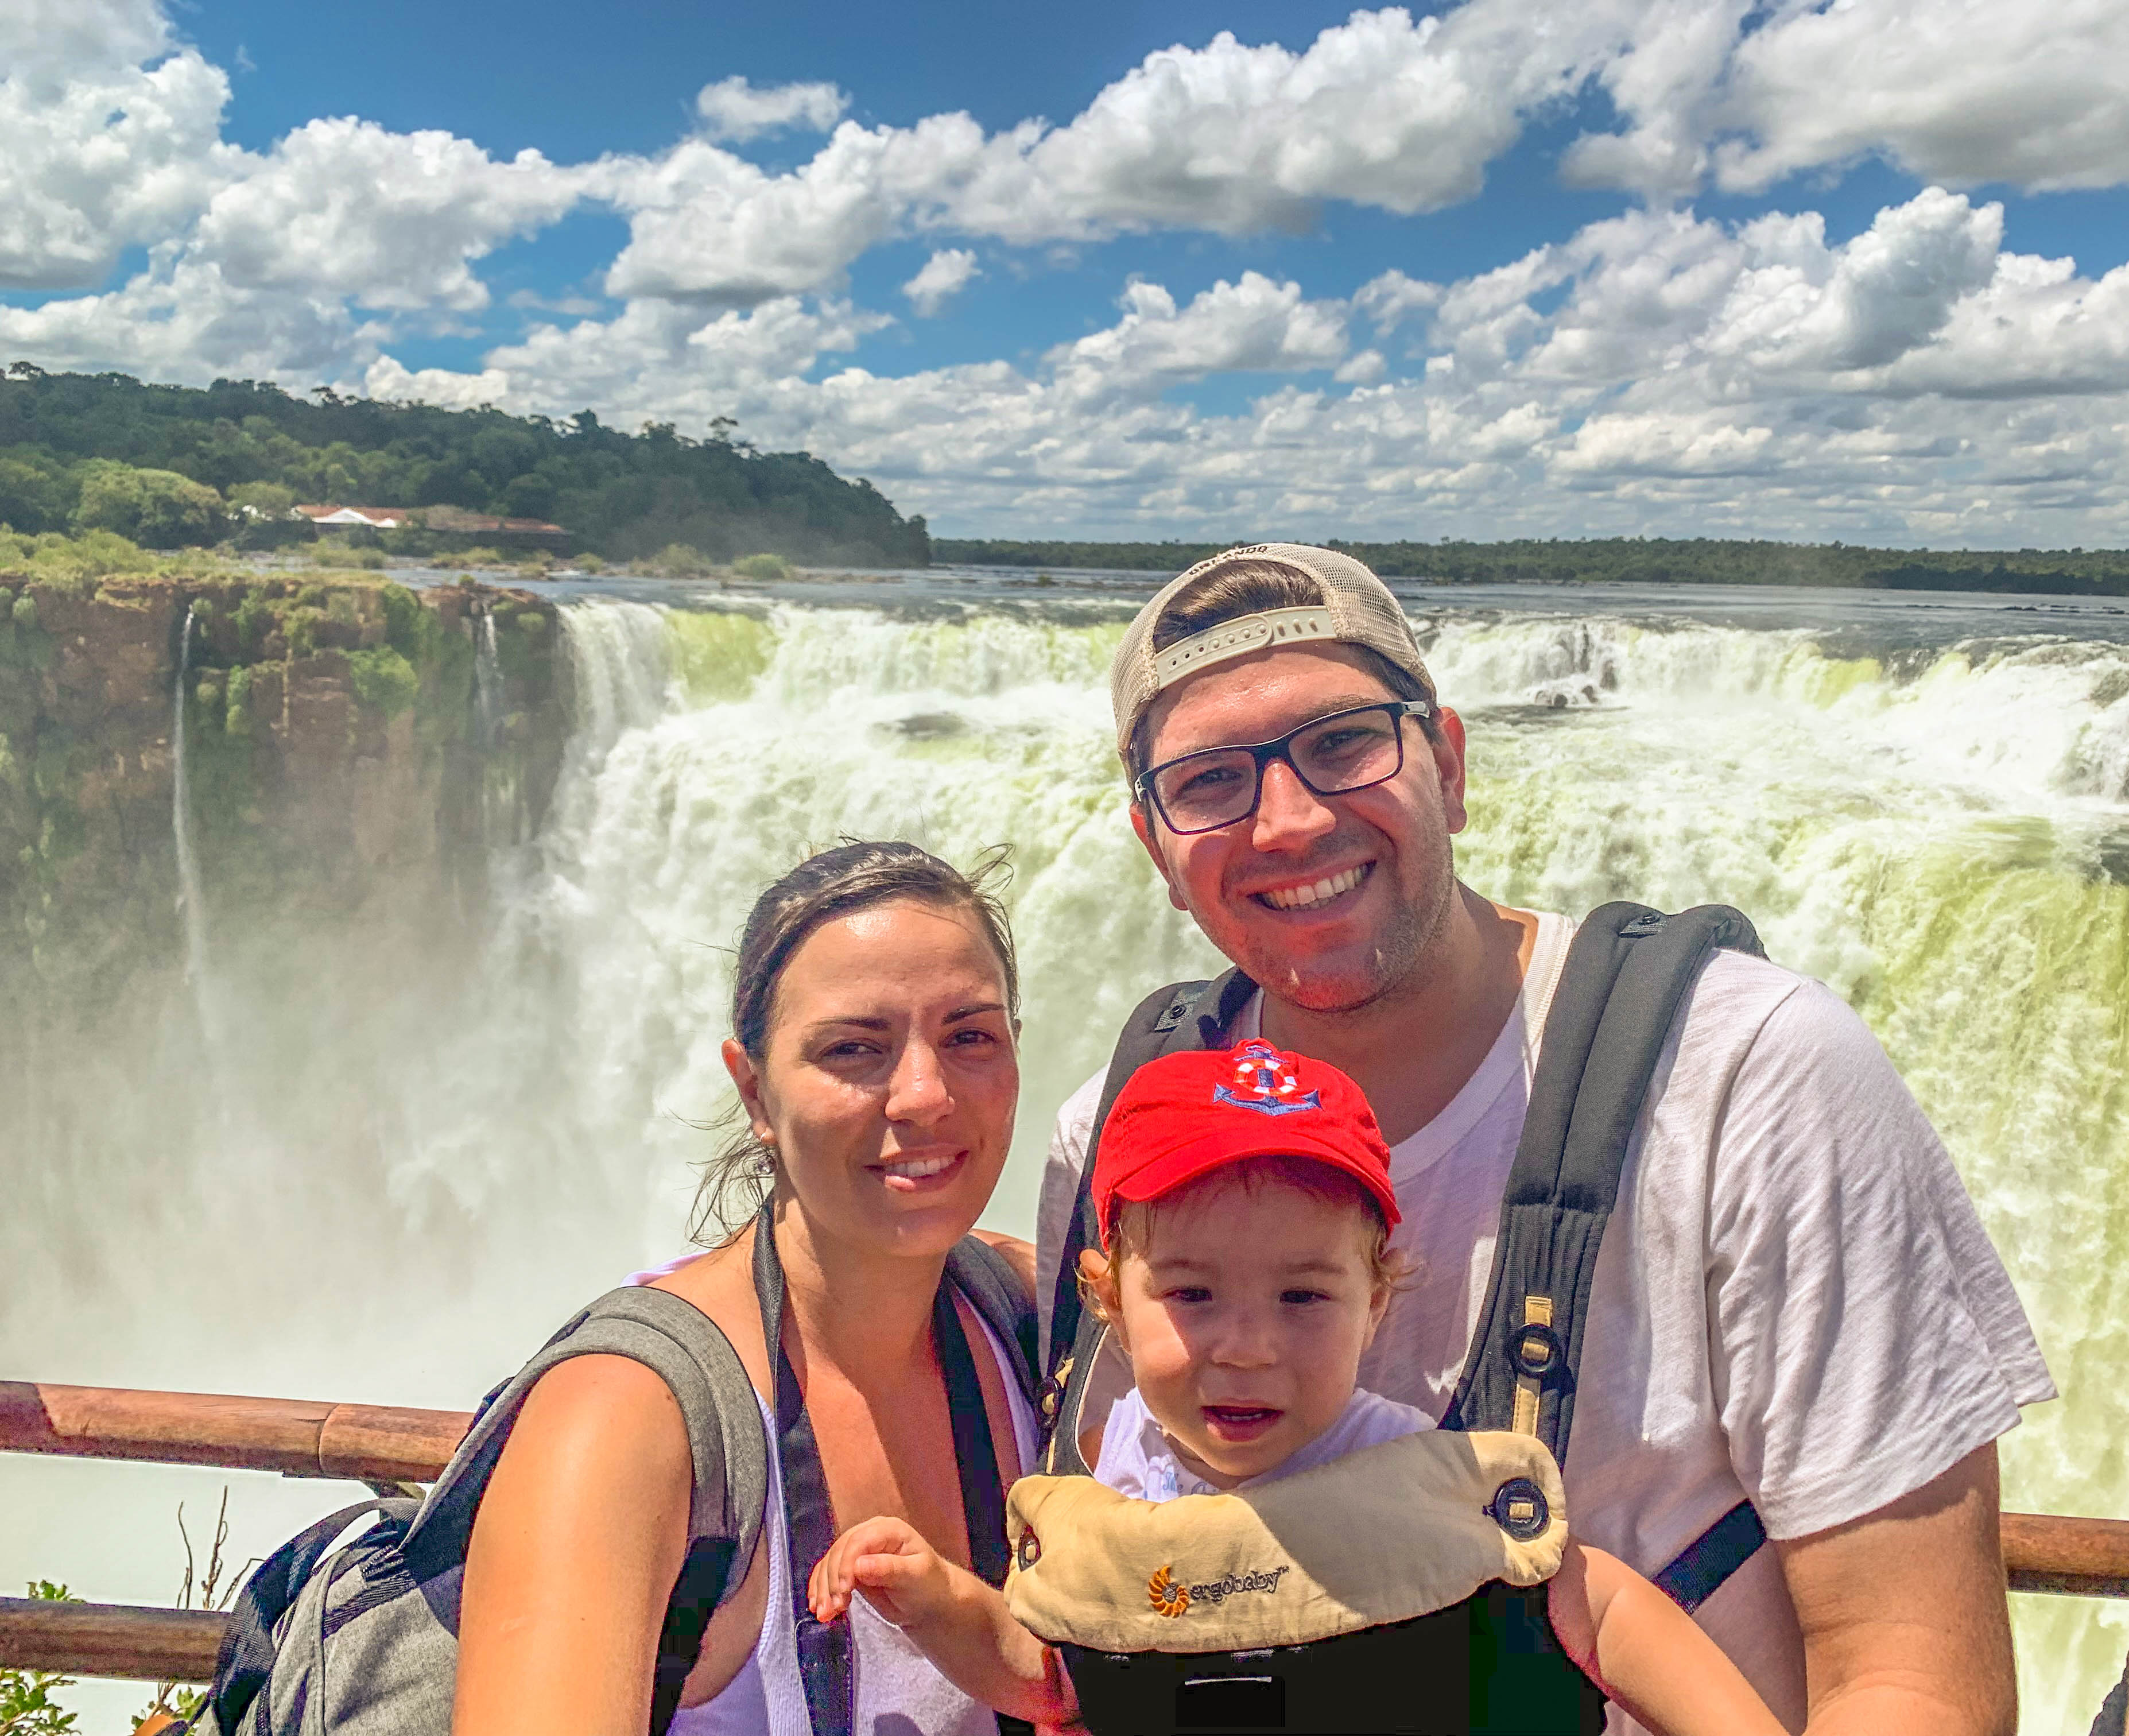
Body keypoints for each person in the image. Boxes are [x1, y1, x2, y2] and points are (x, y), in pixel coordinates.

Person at [1034, 545, 2053, 1735]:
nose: (1290, 819)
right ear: (1155, 847)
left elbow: (1913, 1682)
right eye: (1208, 782)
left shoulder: (1749, 1075)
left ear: (1450, 766)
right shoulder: (1112, 1129)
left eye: (1343, 742)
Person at [807, 1045, 1786, 1736]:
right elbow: (1059, 1677)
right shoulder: (1120, 1469)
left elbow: (1596, 1605)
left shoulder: (1409, 1474)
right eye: (1190, 1293)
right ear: (1107, 1298)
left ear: (1377, 1302)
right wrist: (940, 1604)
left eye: (1302, 1296)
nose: (1247, 1347)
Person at [453, 840, 1040, 1736]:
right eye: (854, 1049)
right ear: (755, 1093)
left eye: (970, 1036)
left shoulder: (1036, 1320)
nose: (924, 1095)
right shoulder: (623, 1418)